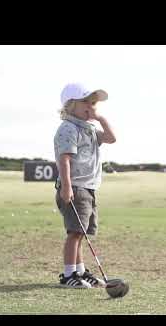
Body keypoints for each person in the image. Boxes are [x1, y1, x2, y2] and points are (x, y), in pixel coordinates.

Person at [54, 83, 117, 288]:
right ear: (71, 104)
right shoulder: (68, 128)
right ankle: (68, 275)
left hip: (88, 187)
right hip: (75, 186)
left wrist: (99, 119)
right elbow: (64, 160)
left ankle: (80, 271)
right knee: (74, 233)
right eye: (86, 102)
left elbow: (111, 138)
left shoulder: (89, 128)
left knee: (81, 233)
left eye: (93, 103)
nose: (91, 106)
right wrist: (67, 186)